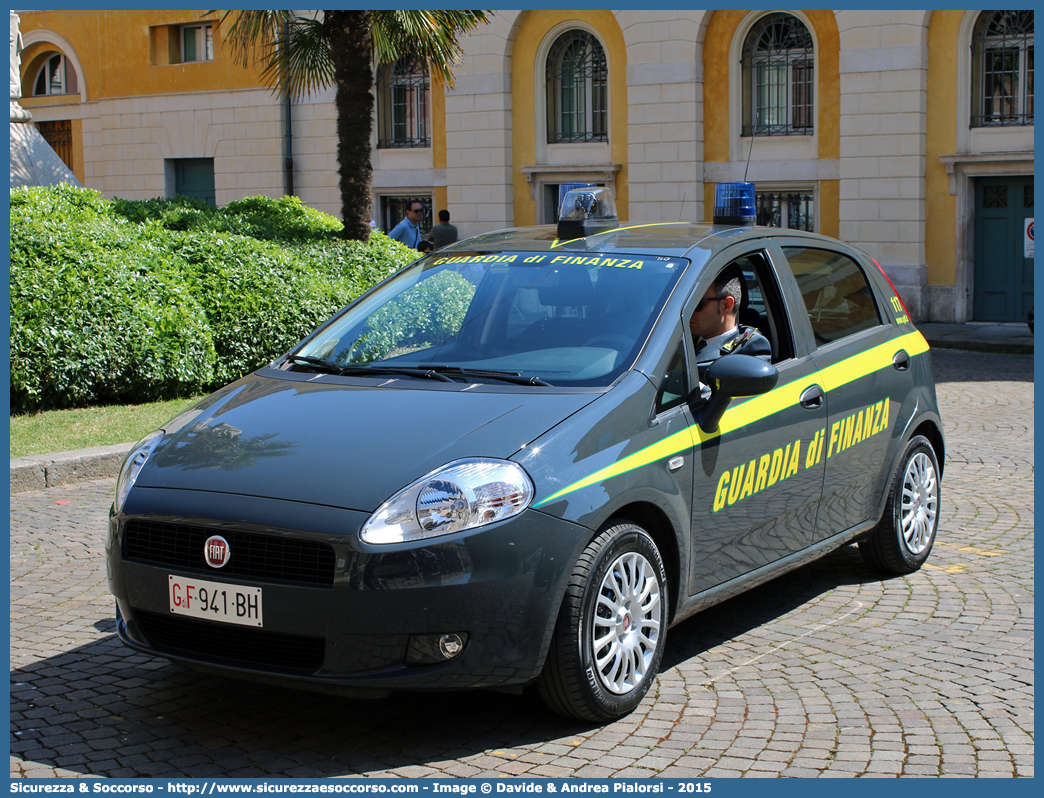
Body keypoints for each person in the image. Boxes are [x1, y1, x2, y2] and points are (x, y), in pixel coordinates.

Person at [689, 264, 771, 384]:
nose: (689, 312)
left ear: (726, 305)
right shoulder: (676, 339)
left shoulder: (751, 347)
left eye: (697, 304)